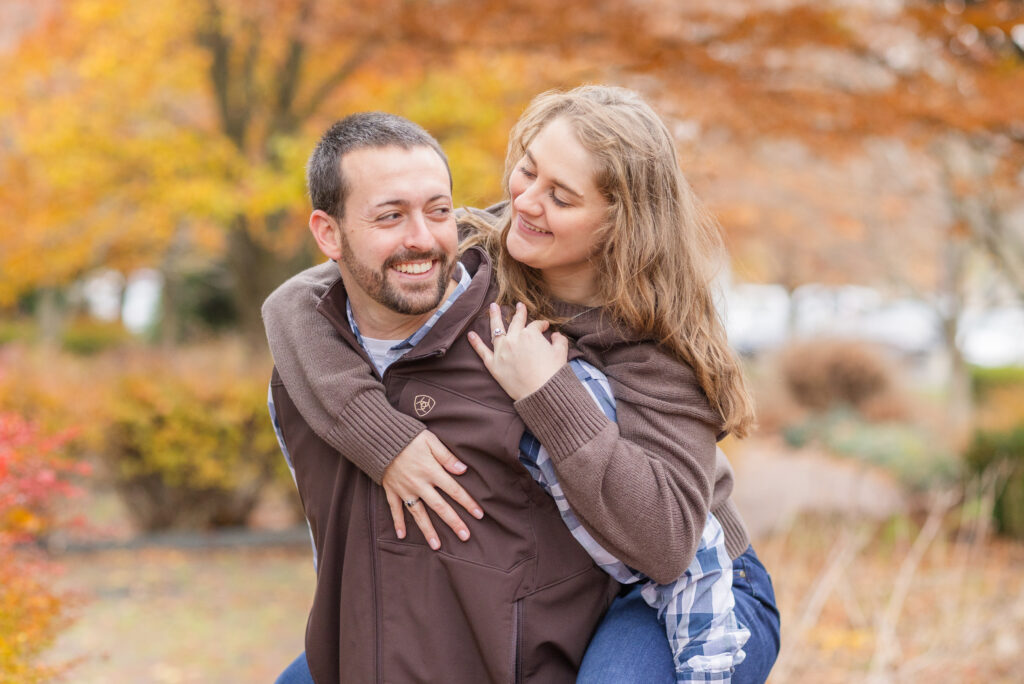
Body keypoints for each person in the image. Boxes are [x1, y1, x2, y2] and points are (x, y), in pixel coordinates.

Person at [267, 87, 781, 683]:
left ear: (622, 223)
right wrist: (387, 442)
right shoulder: (484, 244)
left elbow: (666, 546)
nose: (525, 203)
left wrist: (549, 393)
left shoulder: (657, 344)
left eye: (559, 196)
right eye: (528, 171)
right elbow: (295, 304)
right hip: (570, 572)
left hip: (681, 584)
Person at [268, 111, 619, 684]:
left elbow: (641, 553)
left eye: (438, 211)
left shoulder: (531, 356)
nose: (423, 239)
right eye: (390, 216)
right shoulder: (295, 384)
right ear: (328, 233)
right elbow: (333, 553)